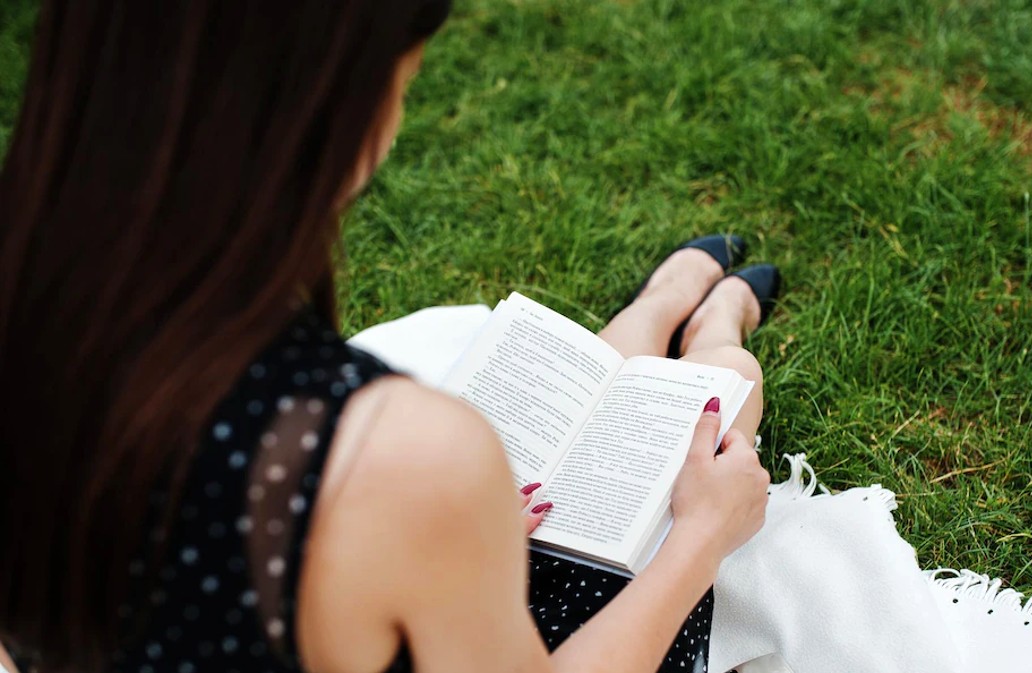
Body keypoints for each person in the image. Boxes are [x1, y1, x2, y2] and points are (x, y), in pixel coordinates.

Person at [0, 2, 781, 672]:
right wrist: (702, 540)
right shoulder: (392, 458)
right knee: (723, 397)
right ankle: (712, 322)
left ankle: (657, 306)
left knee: (606, 391)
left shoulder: (37, 313)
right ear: (331, 107)